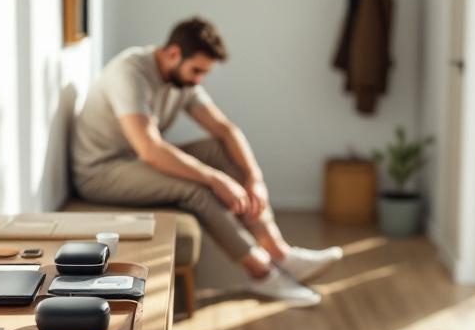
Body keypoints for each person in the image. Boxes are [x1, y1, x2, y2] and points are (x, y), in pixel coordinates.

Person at [71, 17, 343, 306]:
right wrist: (217, 179)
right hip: (101, 171)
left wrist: (254, 178)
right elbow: (150, 149)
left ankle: (280, 253)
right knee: (195, 188)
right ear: (173, 53)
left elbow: (225, 129)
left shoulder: (182, 78)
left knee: (217, 149)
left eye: (204, 73)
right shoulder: (130, 73)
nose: (199, 79)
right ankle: (263, 275)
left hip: (135, 161)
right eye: (197, 70)